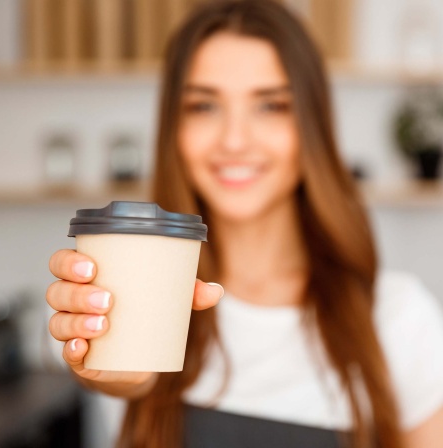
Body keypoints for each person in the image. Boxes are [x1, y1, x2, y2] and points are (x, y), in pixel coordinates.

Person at [46, 1, 443, 447]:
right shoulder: (127, 296)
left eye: (271, 105)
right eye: (203, 106)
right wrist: (110, 368)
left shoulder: (399, 319)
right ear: (172, 126)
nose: (235, 140)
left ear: (312, 124)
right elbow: (126, 380)